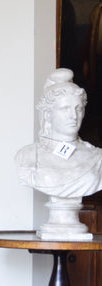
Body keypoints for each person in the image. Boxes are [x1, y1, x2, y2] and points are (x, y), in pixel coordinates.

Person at [16, 68, 102, 199]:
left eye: (78, 108)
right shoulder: (28, 155)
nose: (73, 116)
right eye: (65, 108)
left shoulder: (97, 158)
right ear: (48, 114)